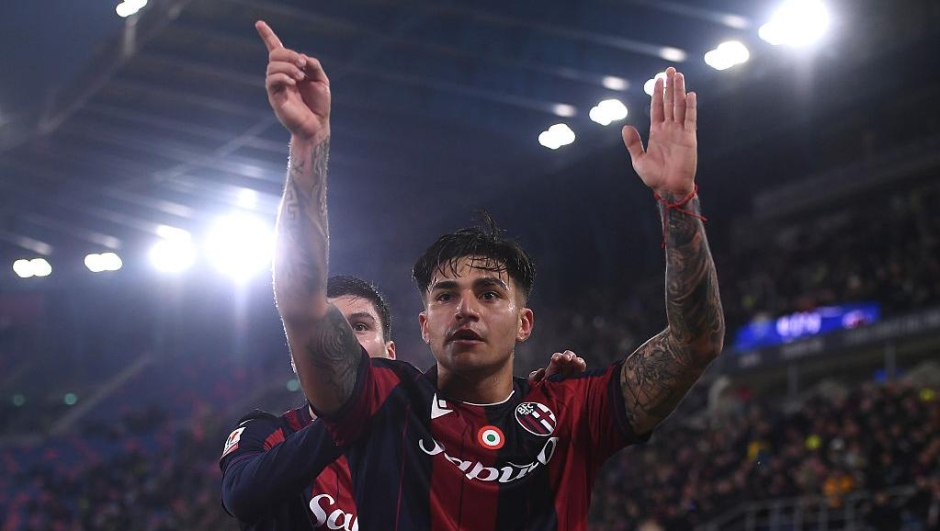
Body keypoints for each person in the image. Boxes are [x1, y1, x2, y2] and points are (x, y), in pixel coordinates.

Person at [258, 13, 724, 531]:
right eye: (445, 296)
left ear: (524, 322)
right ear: (423, 325)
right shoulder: (382, 399)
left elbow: (695, 342)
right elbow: (302, 304)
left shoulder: (571, 412)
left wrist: (678, 200)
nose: (466, 309)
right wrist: (308, 144)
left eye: (489, 293)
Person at [220, 274, 586, 530]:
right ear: (298, 360)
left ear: (390, 355)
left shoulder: (434, 434)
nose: (341, 342)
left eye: (360, 327)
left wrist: (535, 408)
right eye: (326, 329)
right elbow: (242, 495)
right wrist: (351, 419)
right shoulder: (266, 432)